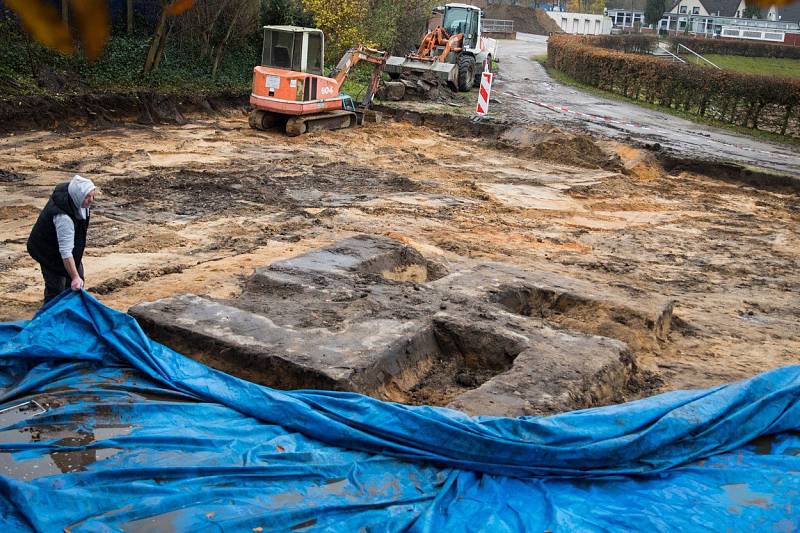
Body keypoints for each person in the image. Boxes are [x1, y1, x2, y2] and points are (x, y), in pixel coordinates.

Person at [27, 175, 96, 304]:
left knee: (78, 281)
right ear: (78, 196)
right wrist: (74, 276)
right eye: (87, 197)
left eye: (92, 195)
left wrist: (76, 277)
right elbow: (65, 252)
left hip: (64, 245)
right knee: (56, 287)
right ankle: (49, 315)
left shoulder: (77, 197)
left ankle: (71, 311)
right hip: (46, 250)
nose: (91, 200)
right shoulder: (63, 217)